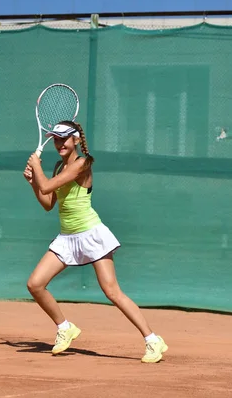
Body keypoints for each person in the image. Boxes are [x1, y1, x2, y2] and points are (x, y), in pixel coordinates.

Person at [23, 120, 168, 363]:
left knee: (112, 291)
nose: (59, 143)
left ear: (76, 140)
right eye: (56, 139)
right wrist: (32, 183)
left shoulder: (82, 164)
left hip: (91, 234)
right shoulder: (59, 166)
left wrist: (37, 169)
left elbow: (47, 186)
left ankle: (153, 340)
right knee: (35, 284)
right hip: (67, 238)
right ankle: (64, 327)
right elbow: (48, 203)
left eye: (64, 138)